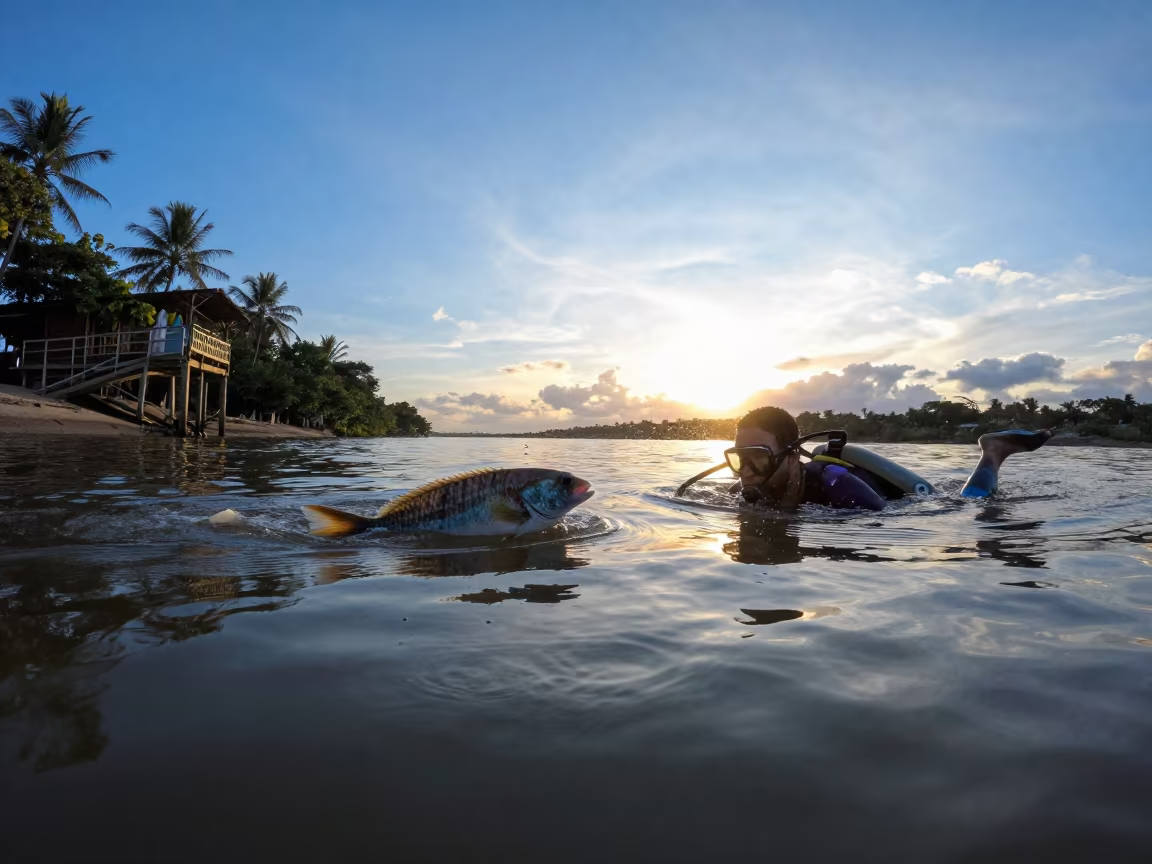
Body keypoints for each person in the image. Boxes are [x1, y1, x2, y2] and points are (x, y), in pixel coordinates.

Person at [724, 405, 1052, 511]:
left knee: (971, 505)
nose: (747, 471)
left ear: (792, 453)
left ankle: (992, 453)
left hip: (912, 500)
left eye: (758, 457)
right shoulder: (743, 490)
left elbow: (897, 521)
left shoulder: (839, 486)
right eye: (739, 459)